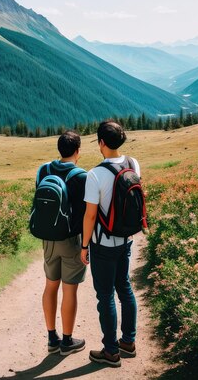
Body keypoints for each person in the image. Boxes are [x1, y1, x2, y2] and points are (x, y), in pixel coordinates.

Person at [80, 120, 139, 367]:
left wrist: (84, 246)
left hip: (102, 244)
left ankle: (111, 351)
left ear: (101, 143)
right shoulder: (133, 163)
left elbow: (90, 215)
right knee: (124, 287)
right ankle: (128, 341)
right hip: (125, 239)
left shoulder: (95, 174)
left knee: (105, 296)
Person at [37, 131, 87, 356]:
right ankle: (67, 341)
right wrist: (86, 245)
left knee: (50, 286)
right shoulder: (81, 176)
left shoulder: (44, 170)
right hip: (70, 240)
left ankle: (51, 337)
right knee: (70, 290)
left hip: (48, 238)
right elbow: (86, 214)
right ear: (77, 151)